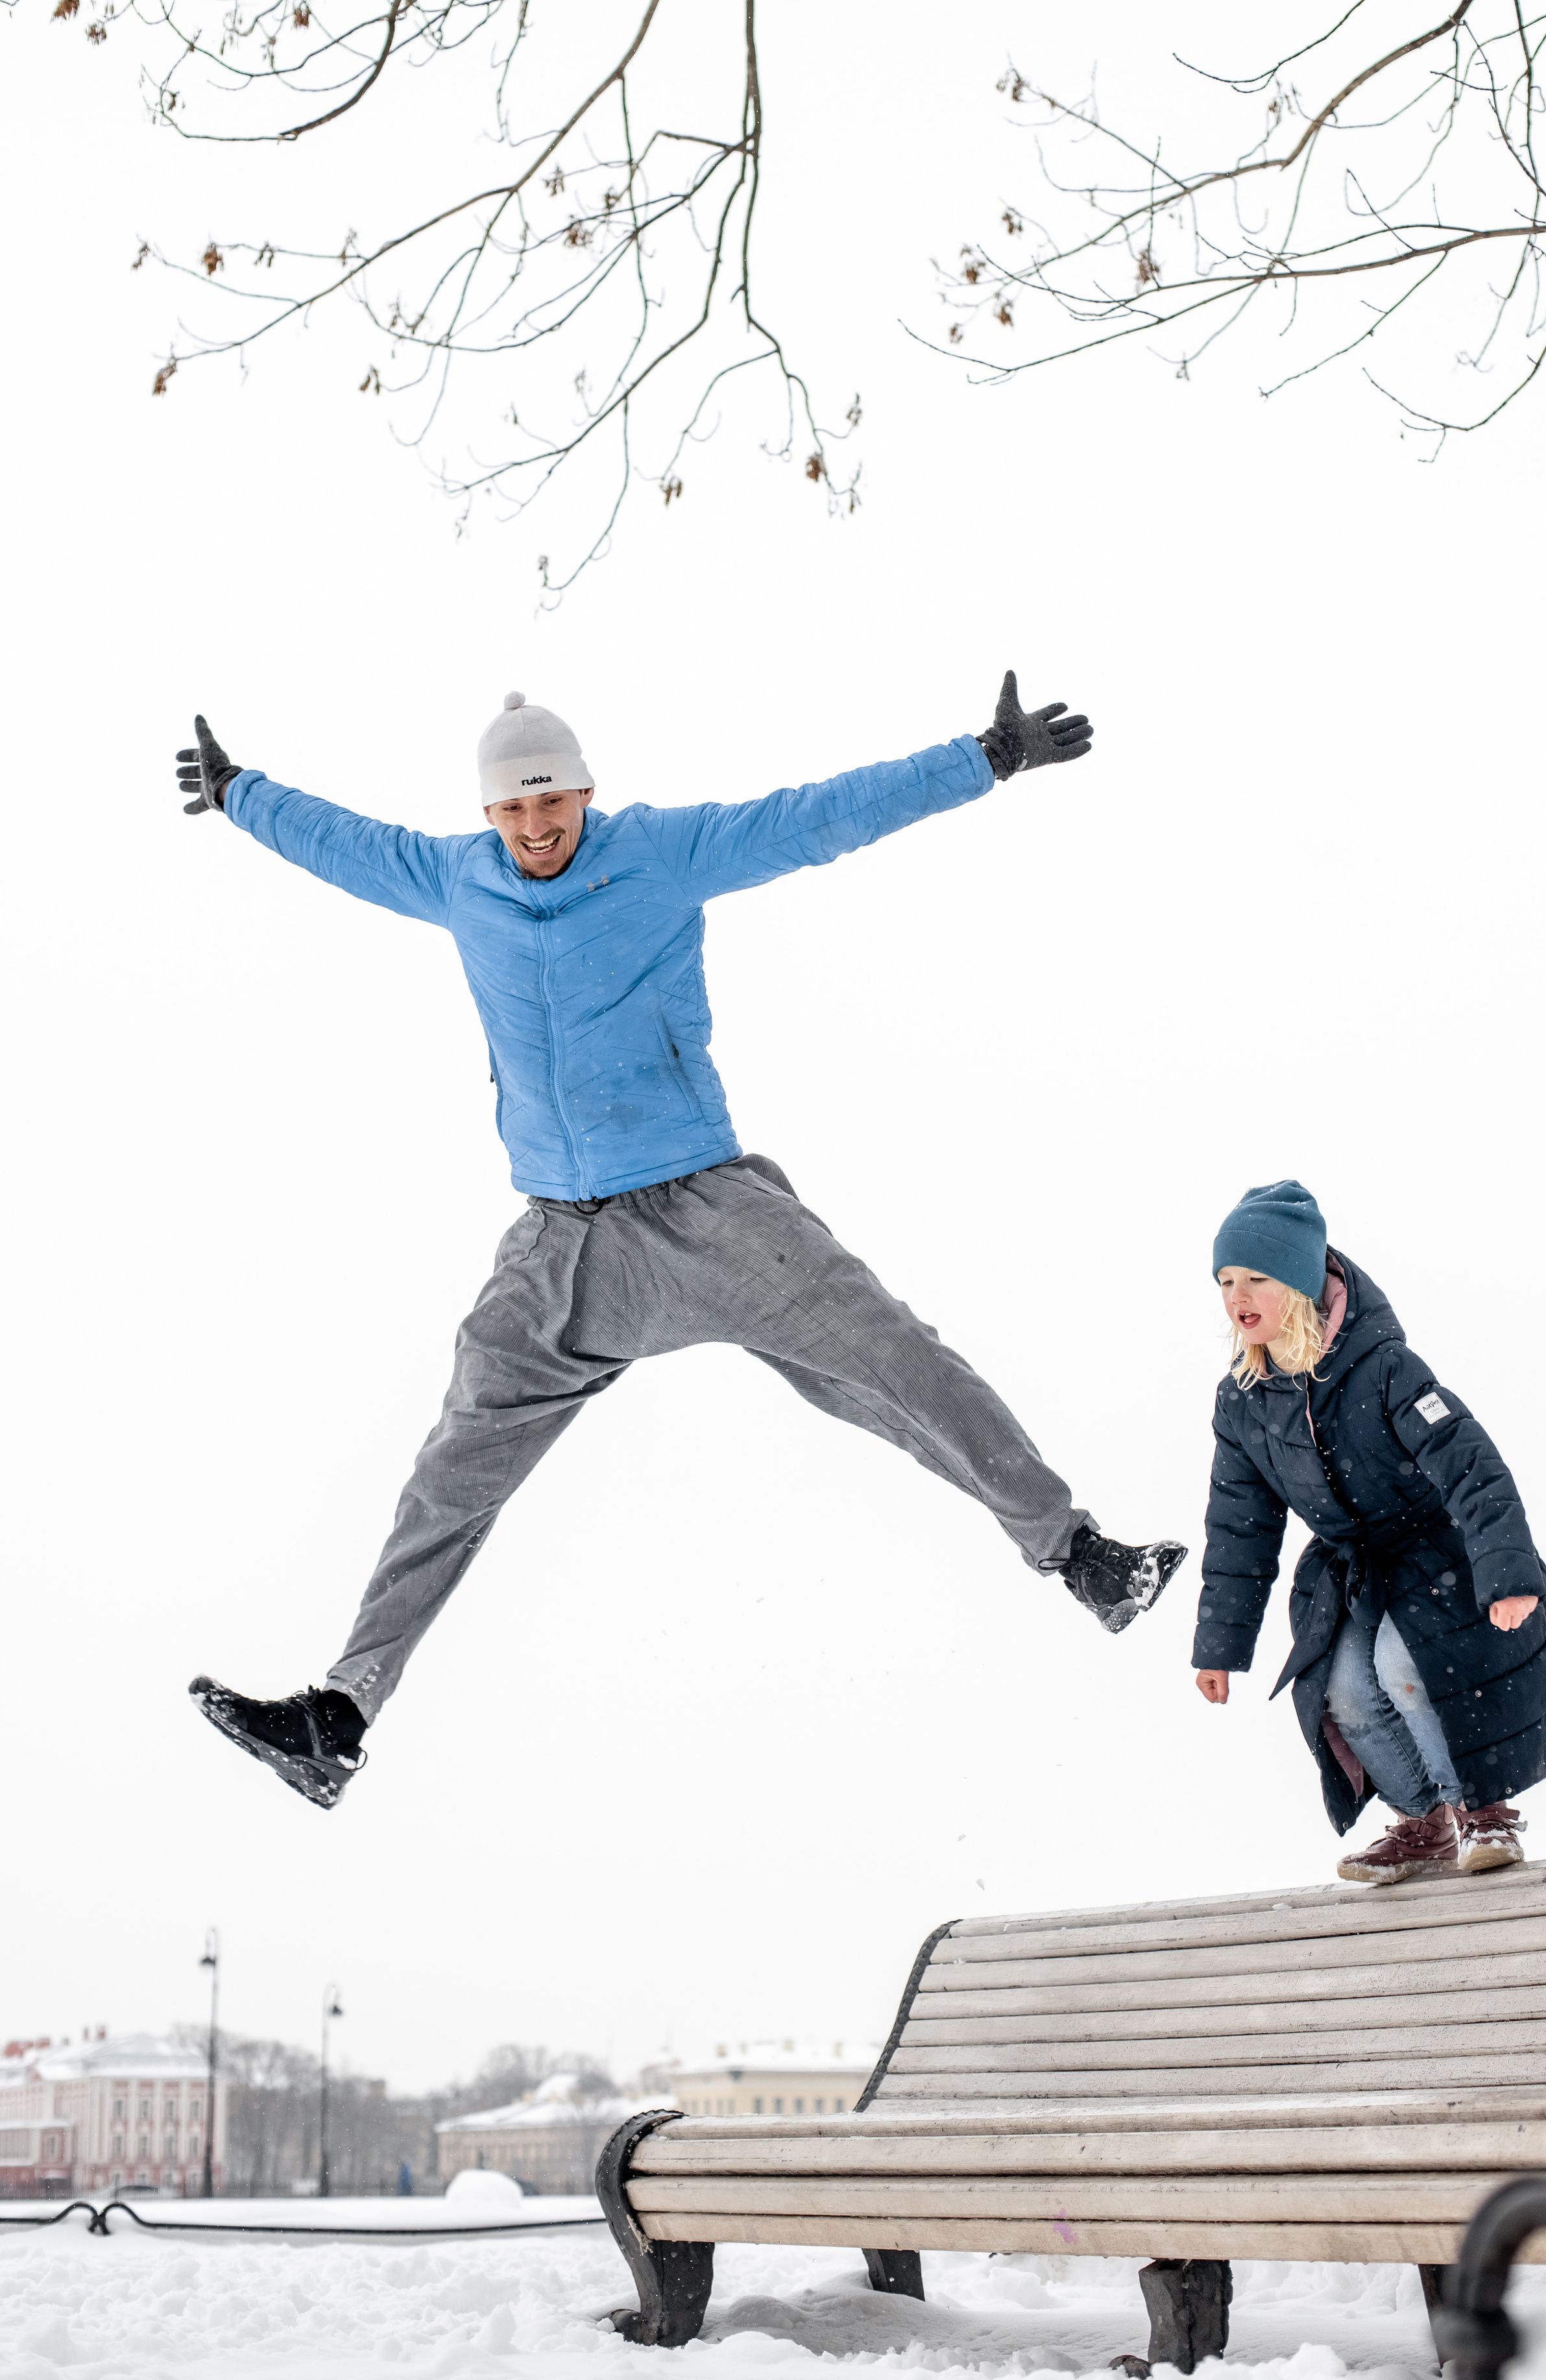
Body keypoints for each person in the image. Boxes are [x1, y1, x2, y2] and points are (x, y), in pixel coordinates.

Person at [177, 676, 1188, 1808]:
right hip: (561, 1253)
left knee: (898, 1361)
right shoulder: (457, 881)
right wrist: (239, 794)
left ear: (587, 791)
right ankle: (341, 1712)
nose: (536, 825)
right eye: (513, 810)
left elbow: (815, 818)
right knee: (451, 1471)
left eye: (552, 799)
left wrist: (984, 759)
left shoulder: (660, 857)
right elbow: (347, 846)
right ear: (487, 818)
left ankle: (1083, 1556)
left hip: (706, 1213)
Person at [1192, 1179, 1546, 1884]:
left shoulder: (1384, 1370)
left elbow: (1472, 1468)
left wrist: (1505, 1573)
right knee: (1344, 1692)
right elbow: (1238, 1528)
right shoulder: (1243, 1401)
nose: (1236, 1295)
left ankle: (1479, 1815)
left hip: (1439, 1555)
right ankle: (1425, 1823)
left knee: (1407, 1671)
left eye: (1255, 1276)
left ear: (1301, 1279)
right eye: (1224, 1279)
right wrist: (1219, 1647)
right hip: (1355, 1572)